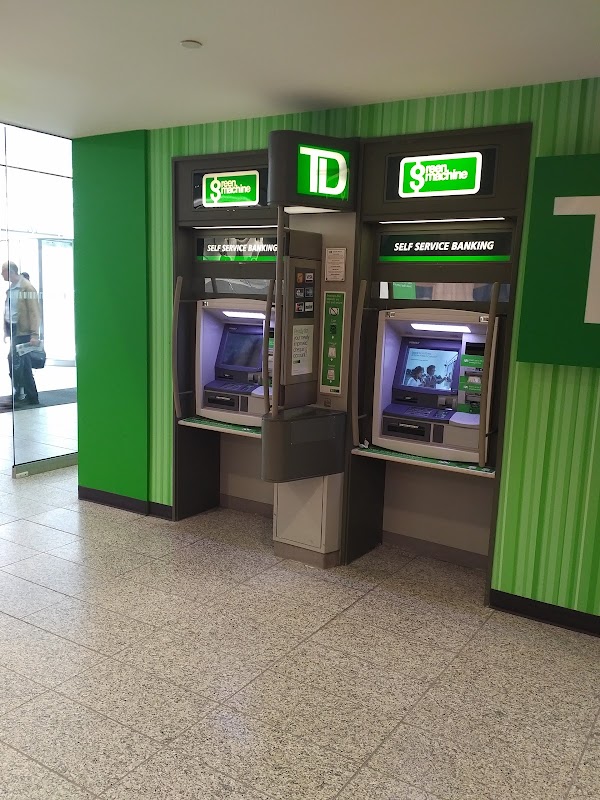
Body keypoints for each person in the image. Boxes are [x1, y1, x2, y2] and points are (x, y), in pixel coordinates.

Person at [2, 261, 41, 407]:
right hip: (15, 330)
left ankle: (23, 394)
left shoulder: (27, 288)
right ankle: (26, 395)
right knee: (20, 364)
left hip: (23, 332)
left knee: (18, 363)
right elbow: (10, 311)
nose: (1, 274)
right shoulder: (11, 289)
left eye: (3, 271)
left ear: (9, 271)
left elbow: (34, 312)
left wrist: (34, 334)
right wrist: (6, 330)